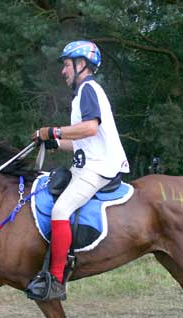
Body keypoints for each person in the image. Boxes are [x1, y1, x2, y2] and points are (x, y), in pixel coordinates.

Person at [26, 40, 130, 301]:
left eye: (66, 65)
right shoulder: (83, 94)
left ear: (81, 64)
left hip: (99, 168)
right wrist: (54, 142)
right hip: (89, 163)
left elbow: (91, 128)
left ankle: (56, 279)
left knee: (61, 211)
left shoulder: (88, 90)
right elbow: (83, 141)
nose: (64, 71)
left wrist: (53, 130)